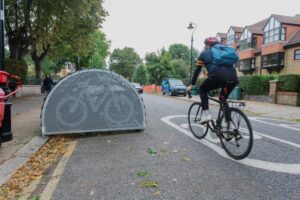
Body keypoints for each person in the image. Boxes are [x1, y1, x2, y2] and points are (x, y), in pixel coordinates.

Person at [187, 37, 239, 123]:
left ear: (208, 45)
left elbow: (197, 70)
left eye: (206, 45)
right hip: (233, 78)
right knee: (223, 99)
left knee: (202, 90)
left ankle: (207, 114)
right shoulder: (225, 51)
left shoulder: (204, 54)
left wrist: (191, 84)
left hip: (217, 77)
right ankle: (230, 124)